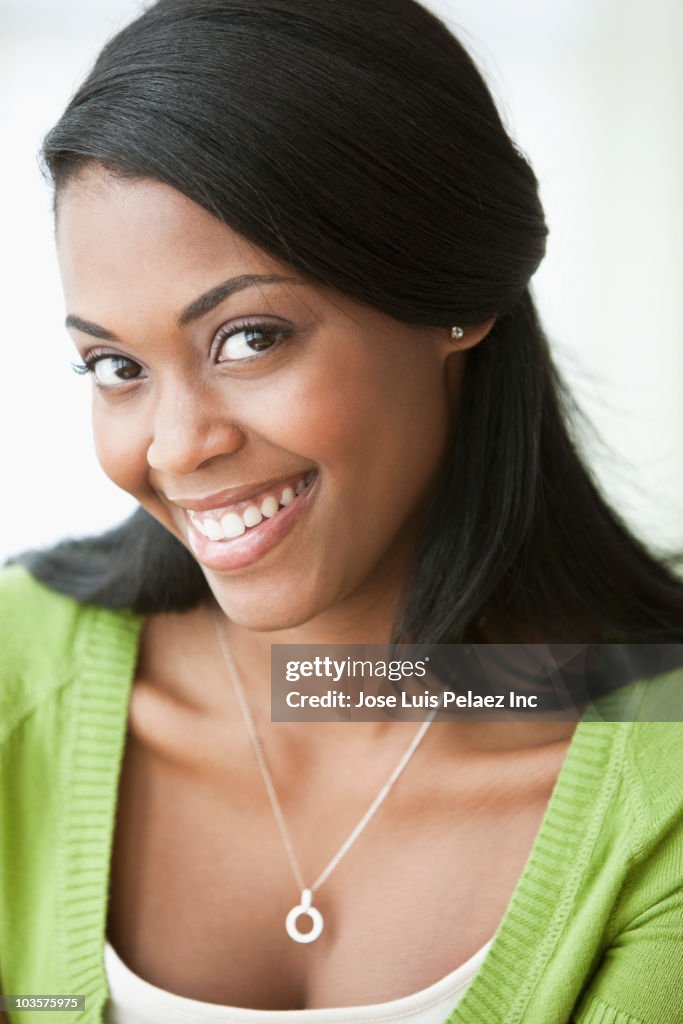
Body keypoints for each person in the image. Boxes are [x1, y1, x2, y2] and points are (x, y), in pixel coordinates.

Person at [1, 1, 682, 1022]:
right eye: (115, 365)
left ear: (454, 290)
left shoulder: (658, 775)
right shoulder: (19, 674)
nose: (176, 444)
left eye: (249, 337)